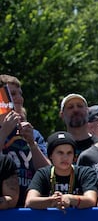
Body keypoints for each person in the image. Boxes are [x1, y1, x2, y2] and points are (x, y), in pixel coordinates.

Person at [0, 74, 49, 207]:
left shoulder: (33, 133)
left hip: (29, 209)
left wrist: (32, 144)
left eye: (20, 94)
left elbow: (48, 173)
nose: (19, 99)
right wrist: (4, 132)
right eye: (12, 94)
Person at [25, 131, 98, 209]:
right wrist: (52, 201)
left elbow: (92, 200)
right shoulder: (42, 173)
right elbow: (29, 202)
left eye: (69, 153)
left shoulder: (85, 173)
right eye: (60, 153)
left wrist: (71, 199)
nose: (65, 158)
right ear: (50, 155)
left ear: (74, 156)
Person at [59, 93, 98, 158]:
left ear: (87, 111)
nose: (76, 110)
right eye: (70, 107)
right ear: (62, 115)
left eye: (80, 106)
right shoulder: (56, 147)